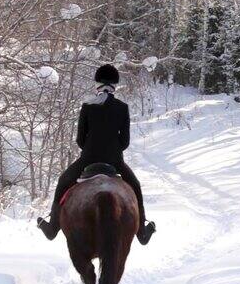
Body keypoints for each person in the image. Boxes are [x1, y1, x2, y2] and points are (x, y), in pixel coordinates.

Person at [37, 64, 156, 245]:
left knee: (63, 181)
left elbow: (79, 140)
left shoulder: (87, 106)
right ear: (114, 86)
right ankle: (142, 233)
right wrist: (112, 151)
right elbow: (125, 142)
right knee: (135, 186)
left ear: (97, 84)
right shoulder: (122, 107)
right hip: (115, 161)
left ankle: (52, 228)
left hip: (88, 158)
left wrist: (91, 150)